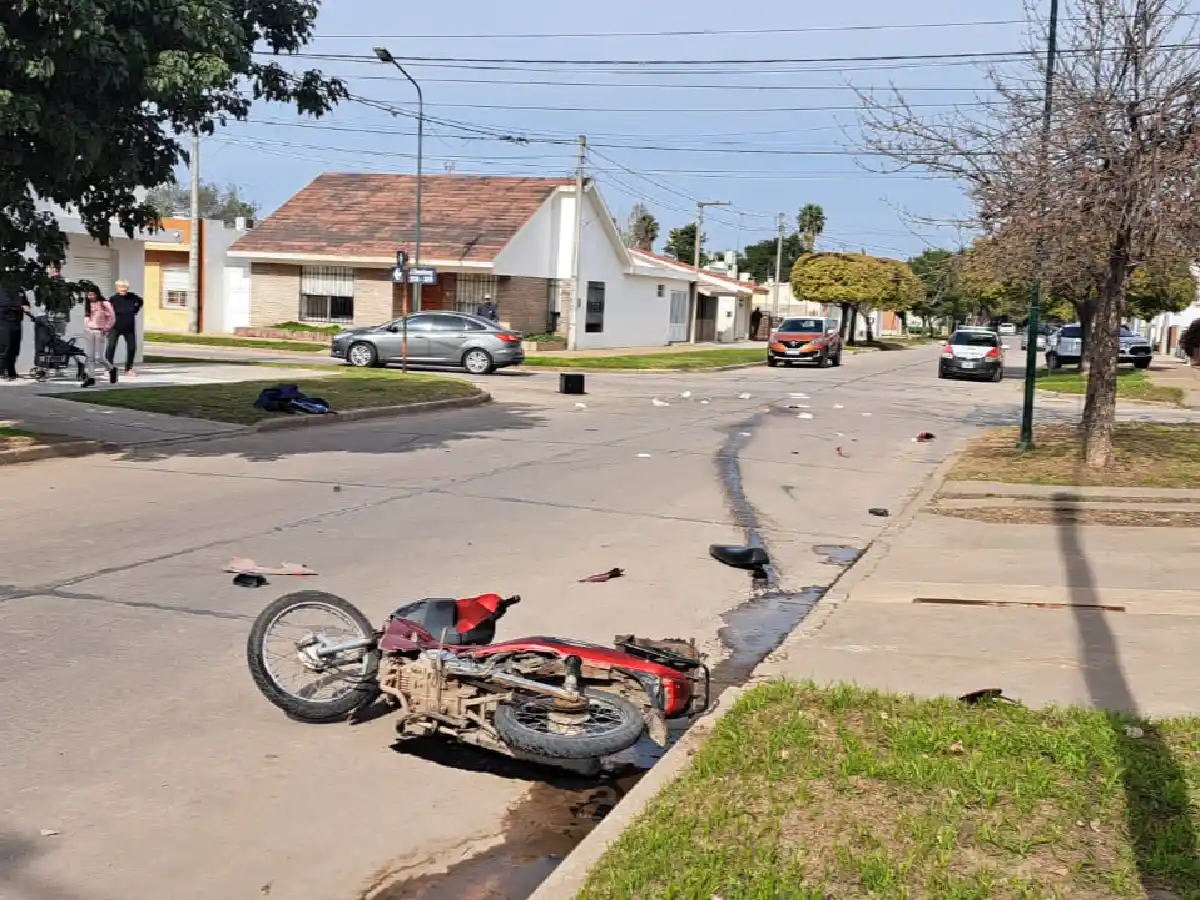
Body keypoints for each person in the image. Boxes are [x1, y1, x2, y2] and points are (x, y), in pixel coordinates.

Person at [105, 279, 143, 377]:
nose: (124, 289)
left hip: (129, 328)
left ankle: (128, 369)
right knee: (111, 347)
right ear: (117, 288)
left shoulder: (132, 297)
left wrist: (135, 309)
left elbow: (140, 301)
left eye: (125, 288)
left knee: (132, 348)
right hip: (115, 327)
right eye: (121, 288)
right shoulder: (113, 299)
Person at [83, 287, 117, 384]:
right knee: (90, 356)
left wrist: (106, 328)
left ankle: (111, 369)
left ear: (97, 294)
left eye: (92, 294)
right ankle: (91, 378)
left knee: (99, 357)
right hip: (89, 331)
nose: (90, 297)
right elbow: (87, 317)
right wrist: (86, 328)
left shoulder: (104, 304)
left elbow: (112, 318)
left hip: (100, 331)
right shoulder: (88, 304)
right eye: (89, 294)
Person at [0, 277, 31, 381]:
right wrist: (20, 306)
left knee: (15, 348)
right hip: (4, 322)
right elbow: (5, 304)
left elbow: (25, 302)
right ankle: (1, 371)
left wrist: (26, 306)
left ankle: (11, 372)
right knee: (5, 347)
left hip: (17, 322)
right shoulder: (3, 288)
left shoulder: (20, 290)